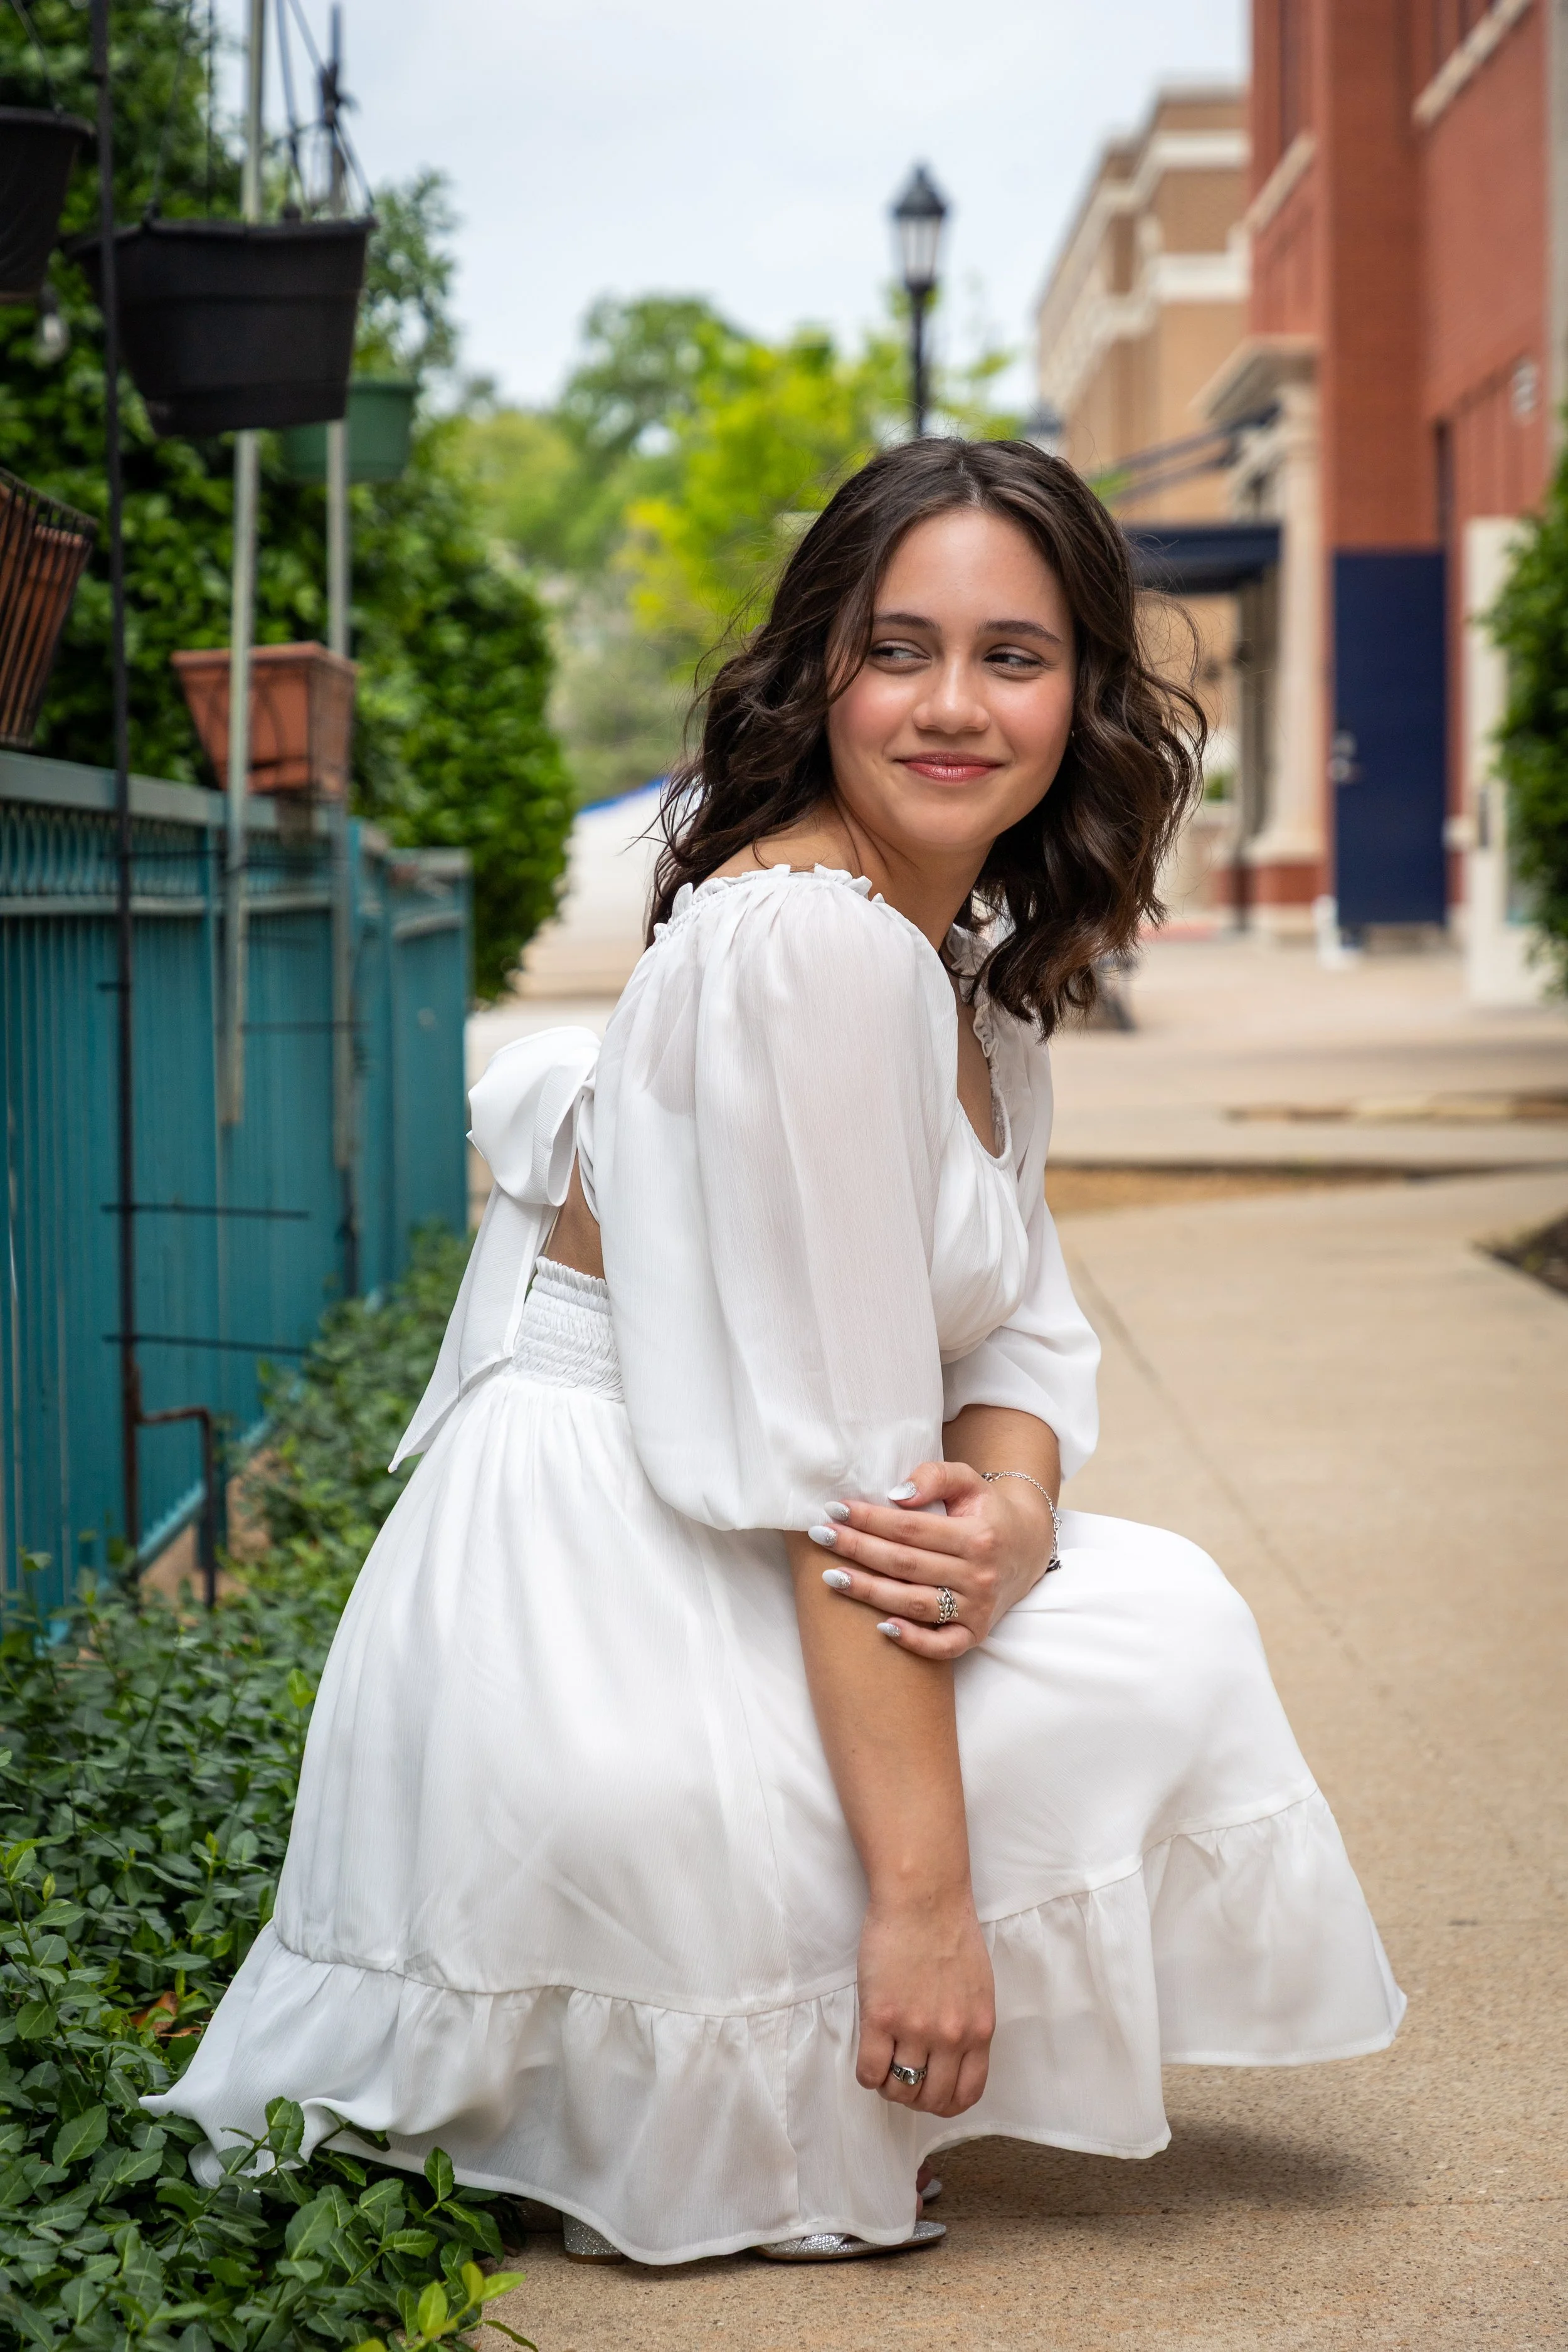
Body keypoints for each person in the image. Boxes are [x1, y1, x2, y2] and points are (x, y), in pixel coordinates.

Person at [151, 438, 1403, 2266]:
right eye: (899, 649)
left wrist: (1021, 1507)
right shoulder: (815, 951)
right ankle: (776, 1978)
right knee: (1161, 1637)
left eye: (1014, 654)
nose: (953, 705)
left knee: (1147, 1611)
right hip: (606, 1597)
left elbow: (1030, 1331)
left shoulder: (954, 961)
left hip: (739, 1531)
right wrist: (925, 1904)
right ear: (818, 671)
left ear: (1084, 691)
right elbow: (834, 1469)